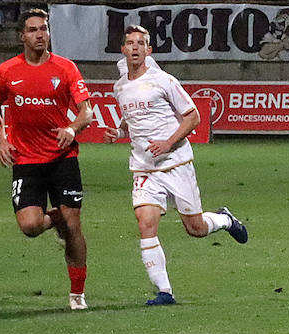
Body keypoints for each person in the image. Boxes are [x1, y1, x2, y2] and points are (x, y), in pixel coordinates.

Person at [104, 26, 248, 306]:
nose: (135, 48)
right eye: (130, 43)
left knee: (194, 228)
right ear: (123, 50)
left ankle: (225, 219)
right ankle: (165, 292)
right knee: (145, 223)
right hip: (144, 167)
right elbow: (131, 120)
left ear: (149, 50)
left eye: (141, 43)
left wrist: (169, 142)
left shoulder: (163, 80)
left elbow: (193, 117)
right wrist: (120, 133)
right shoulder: (120, 86)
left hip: (175, 161)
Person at [0, 10, 94, 310]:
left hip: (63, 159)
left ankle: (77, 294)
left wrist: (72, 129)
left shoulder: (66, 68)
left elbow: (87, 111)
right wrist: (2, 141)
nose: (39, 35)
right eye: (32, 30)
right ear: (22, 35)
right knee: (31, 226)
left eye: (43, 29)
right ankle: (56, 217)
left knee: (74, 227)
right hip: (26, 160)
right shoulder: (7, 71)